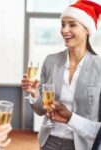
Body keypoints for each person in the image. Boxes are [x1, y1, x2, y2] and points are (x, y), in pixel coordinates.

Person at [21, 0, 101, 150]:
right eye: (63, 24)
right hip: (49, 141)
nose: (65, 30)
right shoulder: (50, 61)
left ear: (88, 29)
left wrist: (71, 118)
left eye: (72, 24)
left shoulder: (99, 67)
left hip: (83, 145)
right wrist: (33, 94)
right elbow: (41, 109)